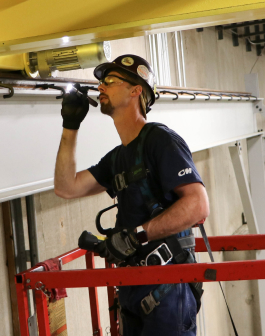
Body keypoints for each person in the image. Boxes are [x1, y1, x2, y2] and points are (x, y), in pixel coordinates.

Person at [53, 54, 209, 336]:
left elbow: (198, 205)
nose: (101, 87)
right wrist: (70, 125)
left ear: (136, 90)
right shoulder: (118, 158)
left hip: (167, 287)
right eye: (101, 82)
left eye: (110, 81)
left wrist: (135, 236)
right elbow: (66, 187)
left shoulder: (160, 141)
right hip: (132, 287)